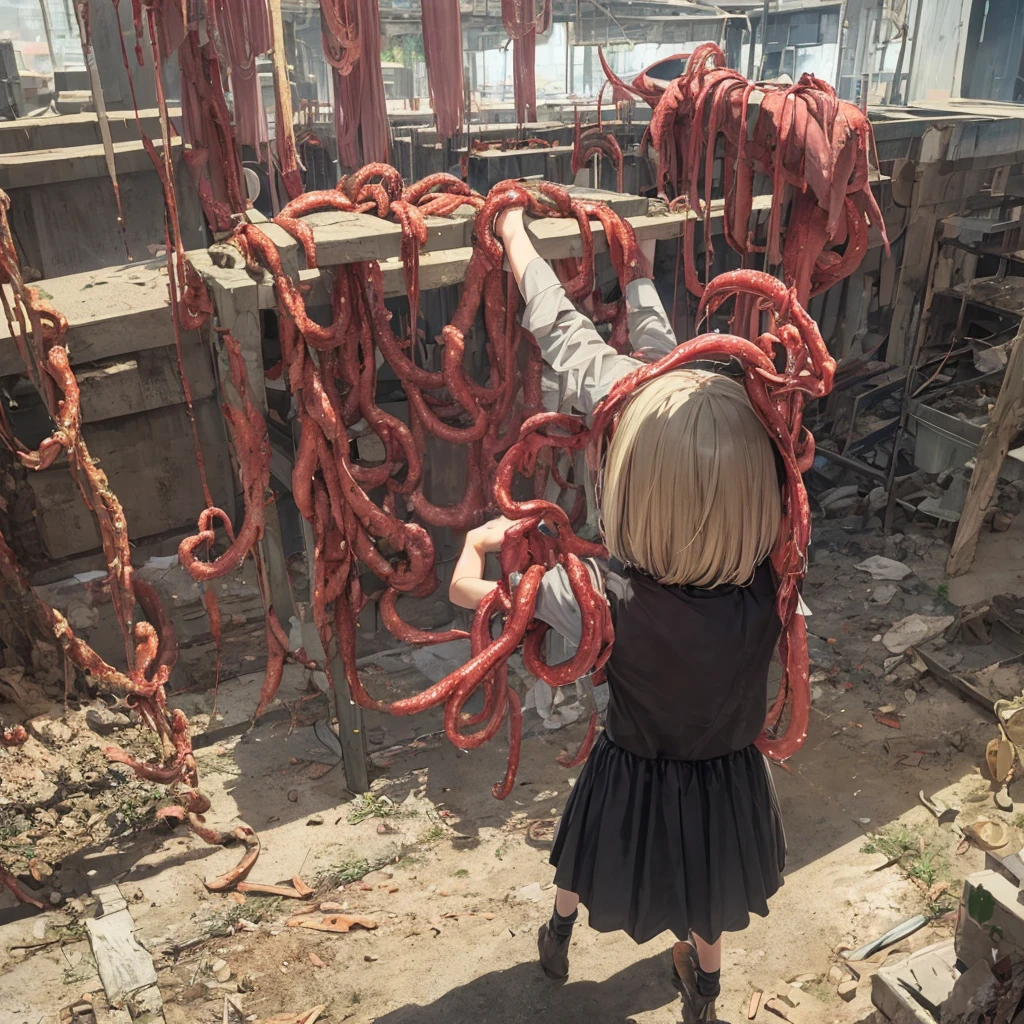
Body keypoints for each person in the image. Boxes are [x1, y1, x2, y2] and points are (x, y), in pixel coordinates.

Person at [449, 206, 788, 1023]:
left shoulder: (598, 597)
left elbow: (471, 595)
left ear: (627, 485)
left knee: (583, 856)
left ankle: (558, 936)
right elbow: (670, 383)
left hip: (631, 766)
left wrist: (480, 540)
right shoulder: (777, 588)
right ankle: (702, 990)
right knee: (708, 893)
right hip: (725, 777)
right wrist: (636, 276)